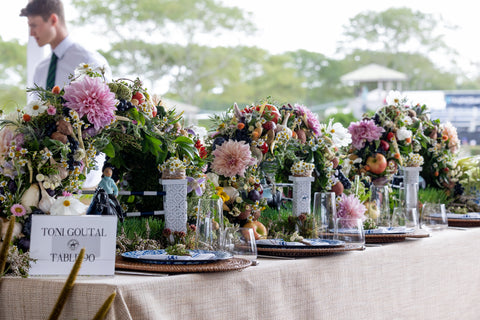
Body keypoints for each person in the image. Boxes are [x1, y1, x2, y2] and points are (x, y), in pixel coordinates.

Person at [20, 0, 111, 90]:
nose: (31, 33)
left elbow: (105, 102)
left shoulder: (89, 61)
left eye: (34, 25)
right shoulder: (41, 69)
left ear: (53, 20)